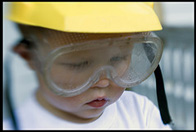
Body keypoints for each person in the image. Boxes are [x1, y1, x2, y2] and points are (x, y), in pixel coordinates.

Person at [3, 2, 172, 130]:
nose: (103, 82)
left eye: (117, 59)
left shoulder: (139, 113)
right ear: (30, 57)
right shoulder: (21, 125)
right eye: (79, 64)